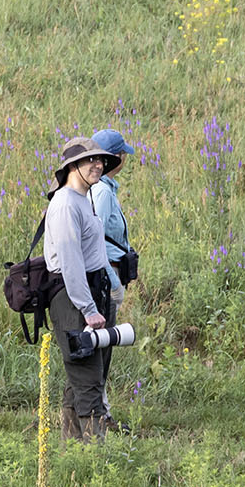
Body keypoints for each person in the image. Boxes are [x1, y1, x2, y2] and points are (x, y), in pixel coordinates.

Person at [45, 137, 119, 442]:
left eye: (100, 160)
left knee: (87, 372)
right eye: (90, 160)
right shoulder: (64, 203)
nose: (98, 165)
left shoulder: (82, 198)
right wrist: (88, 309)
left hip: (91, 291)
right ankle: (93, 453)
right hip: (73, 297)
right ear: (72, 166)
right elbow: (71, 261)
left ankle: (72, 446)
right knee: (87, 373)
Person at [89, 128, 138, 429]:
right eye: (121, 154)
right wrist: (114, 282)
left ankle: (96, 411)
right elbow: (95, 241)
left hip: (104, 276)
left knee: (100, 344)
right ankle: (98, 415)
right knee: (102, 345)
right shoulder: (104, 193)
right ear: (114, 158)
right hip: (105, 278)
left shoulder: (102, 188)